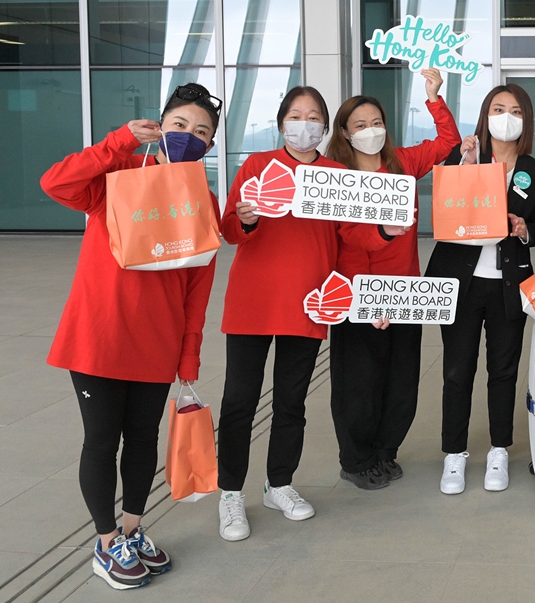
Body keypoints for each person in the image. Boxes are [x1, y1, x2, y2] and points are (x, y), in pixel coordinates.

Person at [40, 83, 221, 590]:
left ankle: (133, 530)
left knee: (142, 441)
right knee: (101, 441)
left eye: (202, 132)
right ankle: (104, 543)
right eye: (181, 125)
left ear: (209, 146)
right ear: (160, 127)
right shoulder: (115, 178)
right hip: (98, 336)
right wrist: (119, 141)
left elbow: (198, 288)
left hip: (158, 343)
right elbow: (56, 183)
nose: (190, 136)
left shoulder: (201, 200)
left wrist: (189, 356)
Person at [216, 86, 403, 542]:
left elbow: (353, 237)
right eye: (296, 115)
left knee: (291, 403)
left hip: (309, 302)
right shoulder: (258, 166)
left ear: (324, 126)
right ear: (282, 123)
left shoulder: (337, 173)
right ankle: (230, 494)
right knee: (239, 401)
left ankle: (279, 483)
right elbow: (229, 230)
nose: (305, 123)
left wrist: (383, 230)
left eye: (314, 115)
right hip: (253, 302)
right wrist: (247, 217)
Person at [322, 70, 461, 490]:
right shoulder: (337, 175)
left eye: (376, 122)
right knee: (358, 382)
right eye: (360, 125)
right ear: (345, 133)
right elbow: (347, 238)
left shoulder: (401, 163)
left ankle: (386, 451)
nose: (371, 131)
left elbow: (447, 145)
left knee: (401, 380)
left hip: (404, 293)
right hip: (356, 293)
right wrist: (370, 302)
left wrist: (434, 99)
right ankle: (357, 459)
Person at [425, 84, 535, 494]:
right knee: (457, 370)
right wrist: (464, 166)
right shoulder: (462, 157)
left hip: (508, 284)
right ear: (485, 115)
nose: (506, 116)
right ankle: (454, 454)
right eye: (498, 109)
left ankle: (499, 449)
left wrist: (524, 229)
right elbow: (444, 210)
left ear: (525, 120)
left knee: (504, 370)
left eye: (515, 110)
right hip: (459, 282)